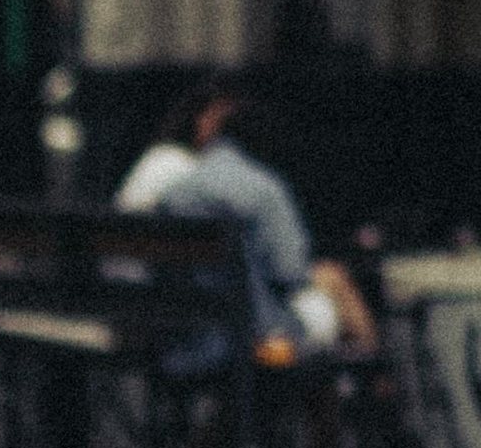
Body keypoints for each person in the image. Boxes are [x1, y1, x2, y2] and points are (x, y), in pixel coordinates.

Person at [117, 85, 378, 355]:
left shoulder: (175, 192)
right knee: (331, 283)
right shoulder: (260, 188)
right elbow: (290, 274)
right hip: (254, 338)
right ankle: (378, 378)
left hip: (184, 337)